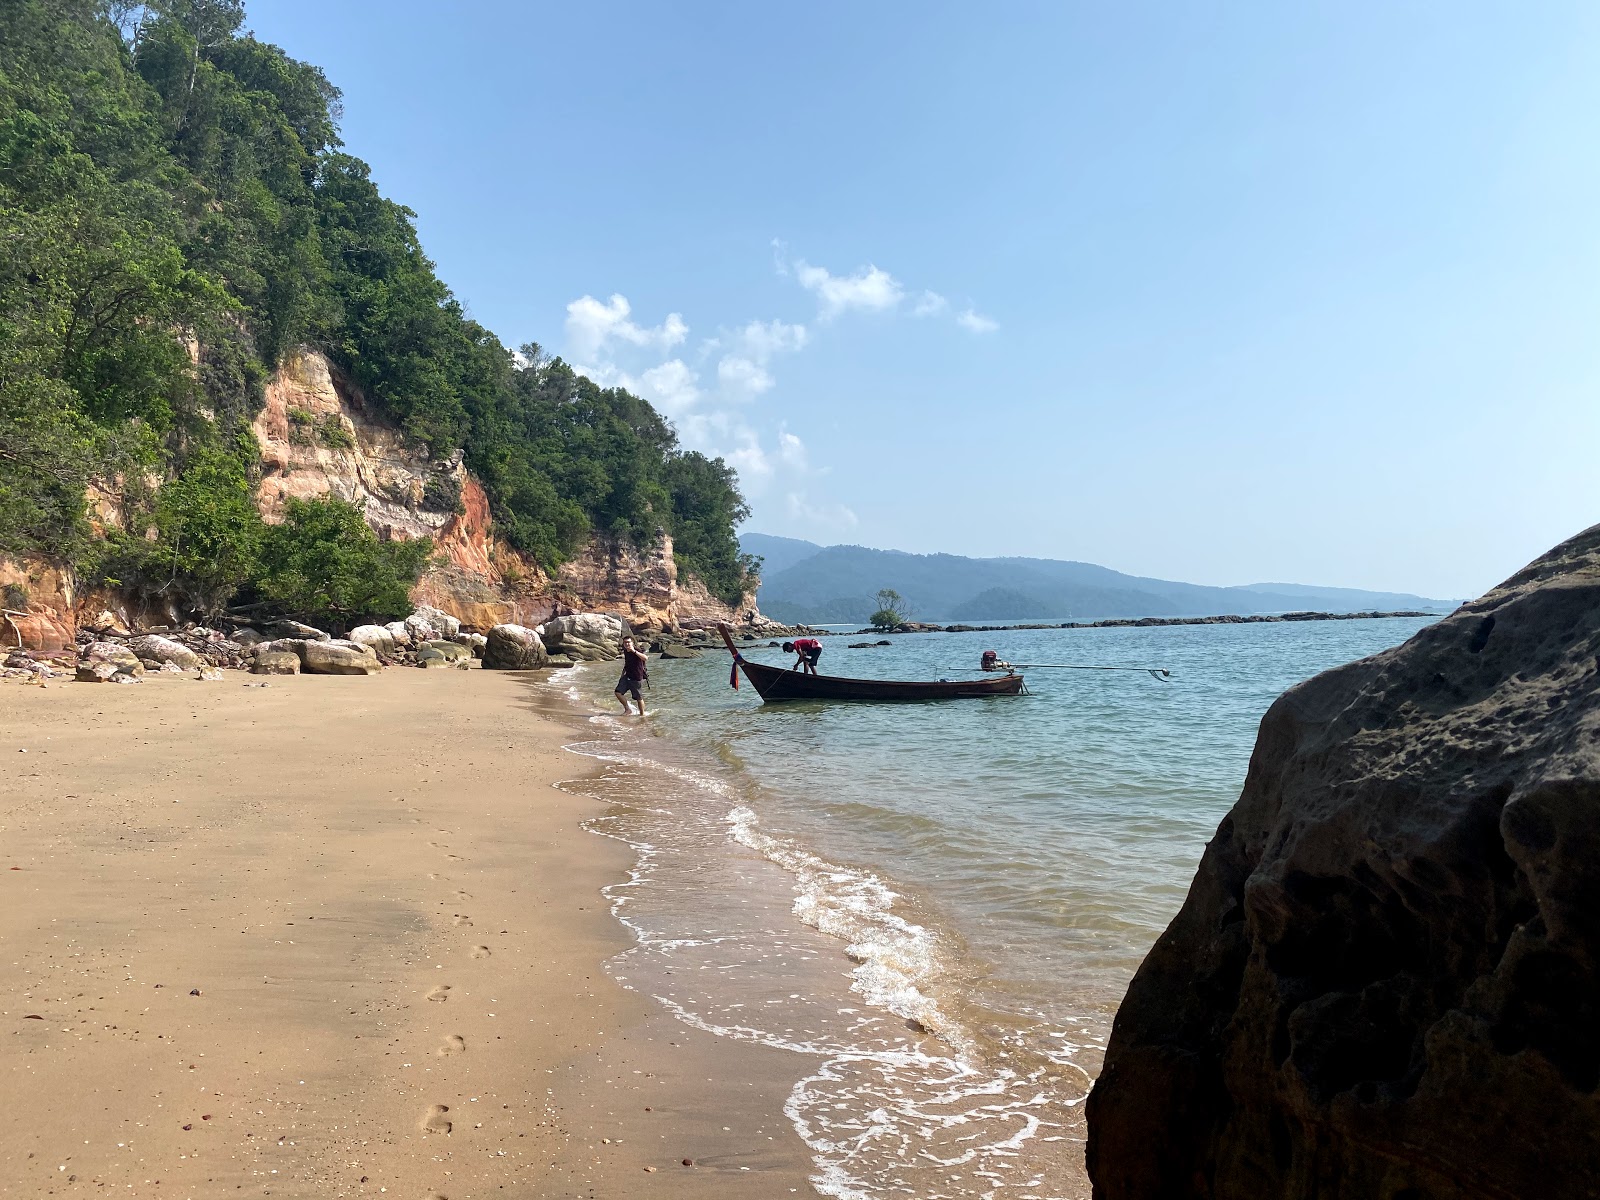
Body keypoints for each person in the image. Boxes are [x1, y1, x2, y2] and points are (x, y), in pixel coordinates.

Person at [614, 636, 650, 715]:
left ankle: (642, 715)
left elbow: (645, 658)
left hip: (637, 677)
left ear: (632, 643)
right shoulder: (626, 651)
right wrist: (622, 675)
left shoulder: (637, 650)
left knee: (638, 698)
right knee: (618, 692)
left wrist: (634, 651)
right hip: (627, 676)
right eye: (625, 642)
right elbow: (627, 663)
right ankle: (627, 709)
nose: (627, 644)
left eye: (628, 642)